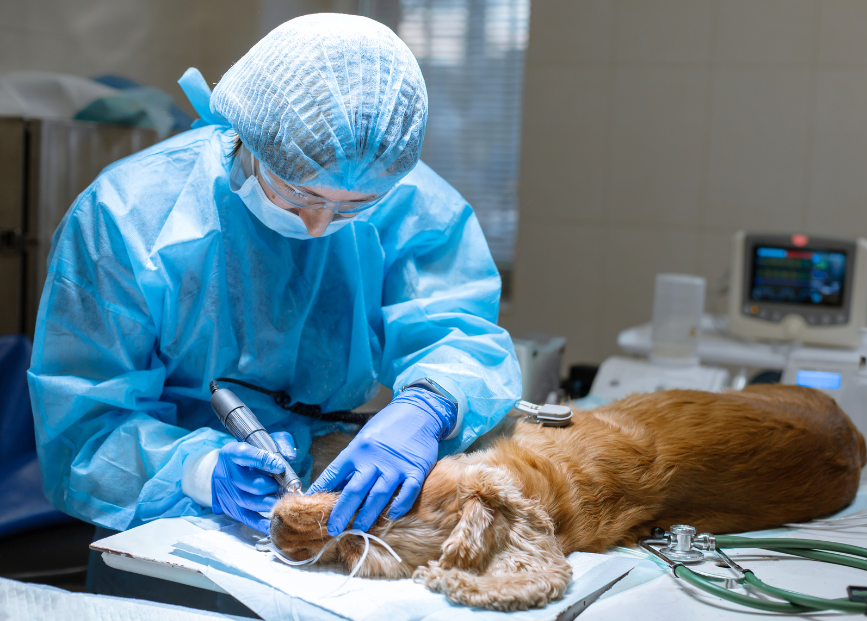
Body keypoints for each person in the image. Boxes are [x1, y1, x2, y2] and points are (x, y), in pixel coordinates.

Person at [27, 14, 521, 539]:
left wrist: (430, 403)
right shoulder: (128, 216)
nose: (317, 224)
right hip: (161, 522)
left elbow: (459, 334)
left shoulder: (411, 203)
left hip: (329, 498)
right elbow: (81, 426)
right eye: (299, 193)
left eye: (352, 208)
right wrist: (198, 472)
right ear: (252, 136)